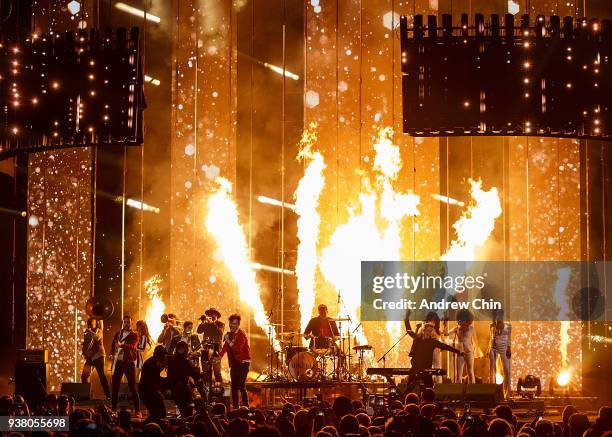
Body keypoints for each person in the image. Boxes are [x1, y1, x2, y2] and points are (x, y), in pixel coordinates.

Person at [404, 310, 463, 389]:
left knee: (431, 382)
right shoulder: (419, 337)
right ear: (424, 330)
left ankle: (436, 391)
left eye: (430, 331)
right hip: (418, 366)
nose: (429, 332)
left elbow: (445, 345)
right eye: (427, 330)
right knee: (411, 385)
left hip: (430, 362)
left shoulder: (433, 339)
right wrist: (407, 319)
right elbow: (410, 332)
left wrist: (458, 351)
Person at [220, 313, 251, 409]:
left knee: (241, 386)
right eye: (231, 323)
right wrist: (218, 357)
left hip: (243, 363)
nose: (232, 325)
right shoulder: (230, 335)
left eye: (234, 323)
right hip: (234, 364)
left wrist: (228, 341)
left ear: (238, 324)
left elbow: (237, 349)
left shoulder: (241, 334)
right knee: (233, 387)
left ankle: (246, 408)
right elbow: (225, 348)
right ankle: (236, 408)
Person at [110, 315, 140, 414]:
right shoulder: (118, 333)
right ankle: (113, 409)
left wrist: (122, 345)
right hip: (118, 362)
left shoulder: (134, 335)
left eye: (128, 322)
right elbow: (113, 344)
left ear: (131, 323)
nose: (126, 324)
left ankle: (137, 410)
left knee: (132, 387)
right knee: (115, 387)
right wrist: (111, 353)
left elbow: (132, 347)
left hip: (128, 363)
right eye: (125, 322)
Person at [443, 309, 482, 384]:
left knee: (470, 372)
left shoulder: (471, 329)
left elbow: (475, 341)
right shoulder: (457, 328)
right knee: (459, 374)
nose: (461, 321)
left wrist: (477, 352)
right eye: (460, 320)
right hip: (460, 352)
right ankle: (459, 391)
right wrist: (445, 324)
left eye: (463, 320)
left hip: (469, 352)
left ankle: (472, 390)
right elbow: (446, 334)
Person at [167, 340, 204, 417]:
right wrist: (201, 376)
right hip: (182, 389)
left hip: (174, 388)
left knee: (182, 409)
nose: (188, 351)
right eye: (187, 349)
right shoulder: (183, 360)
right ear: (182, 349)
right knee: (188, 411)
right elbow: (192, 373)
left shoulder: (171, 359)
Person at [81, 317, 111, 400]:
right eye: (89, 322)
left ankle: (108, 395)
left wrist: (89, 332)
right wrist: (84, 351)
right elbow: (85, 343)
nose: (90, 324)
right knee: (84, 375)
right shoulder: (87, 333)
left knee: (101, 376)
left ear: (95, 323)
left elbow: (97, 338)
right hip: (90, 357)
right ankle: (85, 394)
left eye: (92, 322)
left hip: (98, 356)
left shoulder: (99, 331)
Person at [138, 345, 168, 424]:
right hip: (147, 392)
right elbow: (150, 382)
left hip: (148, 391)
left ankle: (146, 427)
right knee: (158, 414)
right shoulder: (152, 364)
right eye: (162, 355)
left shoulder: (153, 363)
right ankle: (144, 427)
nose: (163, 357)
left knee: (159, 414)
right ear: (157, 355)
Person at [197, 308, 225, 384]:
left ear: (217, 315)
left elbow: (220, 333)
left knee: (217, 372)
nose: (211, 315)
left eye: (213, 314)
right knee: (206, 372)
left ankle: (220, 389)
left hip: (216, 350)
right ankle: (207, 389)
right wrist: (202, 322)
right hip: (206, 348)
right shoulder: (206, 324)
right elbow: (199, 331)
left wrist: (213, 323)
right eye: (209, 314)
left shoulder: (220, 324)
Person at [489, 309, 511, 398]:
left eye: (500, 314)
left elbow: (509, 338)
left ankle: (507, 393)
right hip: (494, 348)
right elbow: (491, 338)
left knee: (507, 370)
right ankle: (492, 392)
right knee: (492, 370)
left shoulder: (508, 326)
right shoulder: (492, 326)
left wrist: (509, 348)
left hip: (504, 348)